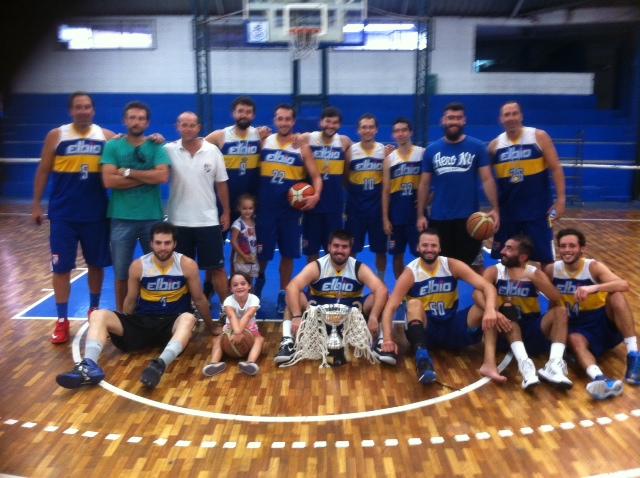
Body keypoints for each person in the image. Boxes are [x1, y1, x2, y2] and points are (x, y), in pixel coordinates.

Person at [56, 222, 218, 390]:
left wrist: (211, 326)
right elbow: (131, 300)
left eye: (167, 243)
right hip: (142, 323)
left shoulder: (187, 265)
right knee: (98, 315)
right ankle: (88, 365)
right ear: (151, 243)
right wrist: (121, 323)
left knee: (188, 318)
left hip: (171, 327)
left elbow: (199, 299)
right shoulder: (139, 266)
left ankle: (159, 365)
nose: (163, 248)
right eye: (158, 243)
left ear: (175, 244)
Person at [32, 91, 115, 344]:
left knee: (96, 264)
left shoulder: (106, 136)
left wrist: (154, 140)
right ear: (71, 110)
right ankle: (61, 320)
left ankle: (94, 310)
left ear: (93, 110)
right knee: (61, 268)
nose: (83, 110)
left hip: (96, 213)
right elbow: (43, 170)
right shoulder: (57, 135)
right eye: (78, 107)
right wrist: (36, 205)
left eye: (87, 106)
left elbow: (132, 147)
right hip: (64, 215)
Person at [379, 229, 498, 384]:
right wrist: (387, 339)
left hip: (451, 324)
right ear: (418, 248)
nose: (429, 249)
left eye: (433, 245)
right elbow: (390, 307)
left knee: (485, 308)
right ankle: (423, 361)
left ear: (440, 248)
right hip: (426, 330)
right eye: (425, 245)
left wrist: (490, 309)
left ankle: (489, 363)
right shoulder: (410, 273)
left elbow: (488, 287)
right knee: (414, 304)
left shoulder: (452, 265)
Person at [545, 228, 640, 399]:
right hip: (576, 323)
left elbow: (624, 284)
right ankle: (600, 379)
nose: (567, 250)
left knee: (616, 296)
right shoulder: (552, 270)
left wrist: (594, 287)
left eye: (572, 246)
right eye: (563, 246)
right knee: (575, 340)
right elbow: (552, 302)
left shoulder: (593, 267)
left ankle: (634, 355)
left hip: (600, 319)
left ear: (582, 248)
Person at [474, 235, 572, 390]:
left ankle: (554, 365)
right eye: (504, 247)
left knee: (561, 311)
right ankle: (526, 368)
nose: (503, 251)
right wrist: (492, 310)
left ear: (522, 257)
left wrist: (535, 278)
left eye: (509, 249)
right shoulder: (494, 271)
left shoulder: (534, 273)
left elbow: (555, 297)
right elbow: (477, 293)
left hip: (532, 327)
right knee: (508, 311)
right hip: (505, 328)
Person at [276, 229, 387, 365]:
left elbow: (381, 289)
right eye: (336, 246)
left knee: (381, 298)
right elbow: (292, 286)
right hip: (319, 319)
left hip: (351, 321)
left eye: (344, 247)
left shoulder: (358, 267)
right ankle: (287, 341)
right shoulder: (317, 266)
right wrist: (297, 316)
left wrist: (374, 316)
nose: (340, 250)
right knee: (293, 296)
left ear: (350, 249)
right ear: (329, 247)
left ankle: (382, 342)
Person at [101, 101, 171, 312]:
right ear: (125, 121)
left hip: (152, 218)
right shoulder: (113, 146)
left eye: (141, 118)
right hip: (121, 218)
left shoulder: (156, 146)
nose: (136, 122)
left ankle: (156, 313)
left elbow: (163, 176)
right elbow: (109, 181)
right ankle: (123, 316)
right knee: (122, 273)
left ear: (147, 122)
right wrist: (148, 178)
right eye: (132, 118)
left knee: (157, 271)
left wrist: (127, 172)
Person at [255, 104, 322, 315]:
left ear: (293, 121)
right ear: (275, 120)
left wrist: (316, 195)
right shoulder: (265, 141)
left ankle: (283, 294)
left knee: (288, 255)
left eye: (287, 119)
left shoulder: (301, 146)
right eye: (280, 118)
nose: (283, 122)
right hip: (266, 209)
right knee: (262, 255)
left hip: (290, 212)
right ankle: (256, 289)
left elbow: (316, 177)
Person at [417, 102, 499, 266]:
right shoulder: (432, 150)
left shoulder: (477, 147)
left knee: (474, 266)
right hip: (439, 218)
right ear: (443, 121)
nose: (454, 121)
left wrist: (495, 208)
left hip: (469, 220)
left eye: (458, 118)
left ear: (464, 121)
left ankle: (479, 285)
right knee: (442, 266)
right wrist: (420, 215)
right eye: (450, 118)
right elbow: (424, 184)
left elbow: (487, 179)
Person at [165, 111, 230, 307]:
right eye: (184, 124)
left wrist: (226, 211)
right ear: (177, 127)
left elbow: (221, 184)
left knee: (217, 268)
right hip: (178, 221)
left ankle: (228, 310)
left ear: (199, 127)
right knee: (181, 271)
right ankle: (183, 309)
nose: (188, 128)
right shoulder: (168, 150)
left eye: (192, 125)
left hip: (208, 220)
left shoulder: (212, 151)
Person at [488, 101, 566, 265]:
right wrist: (495, 208)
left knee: (545, 260)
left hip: (538, 212)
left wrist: (561, 200)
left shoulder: (539, 137)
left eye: (514, 113)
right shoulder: (494, 146)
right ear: (501, 119)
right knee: (506, 260)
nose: (511, 118)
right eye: (507, 115)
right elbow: (487, 179)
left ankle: (543, 283)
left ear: (521, 116)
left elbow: (556, 168)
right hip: (508, 213)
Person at [300, 107, 352, 263]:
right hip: (312, 206)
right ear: (320, 122)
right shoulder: (308, 138)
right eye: (327, 121)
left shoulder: (344, 142)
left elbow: (364, 151)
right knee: (312, 252)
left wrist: (386, 153)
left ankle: (331, 278)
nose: (331, 125)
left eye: (335, 123)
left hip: (334, 207)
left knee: (335, 251)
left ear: (340, 125)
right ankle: (313, 278)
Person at [344, 113, 387, 280]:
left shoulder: (383, 151)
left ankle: (380, 281)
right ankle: (352, 282)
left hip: (377, 209)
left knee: (380, 250)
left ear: (376, 130)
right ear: (358, 130)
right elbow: (345, 178)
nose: (367, 130)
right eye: (364, 127)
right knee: (352, 249)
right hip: (356, 208)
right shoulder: (351, 151)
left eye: (370, 127)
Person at [382, 118, 425, 279]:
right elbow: (386, 191)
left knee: (422, 253)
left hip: (416, 213)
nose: (400, 134)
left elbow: (432, 181)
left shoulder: (422, 153)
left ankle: (421, 287)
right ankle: (401, 290)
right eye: (397, 131)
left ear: (410, 132)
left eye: (404, 130)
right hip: (397, 214)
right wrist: (385, 218)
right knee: (397, 254)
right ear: (393, 135)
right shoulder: (389, 159)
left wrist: (429, 198)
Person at [203, 272, 264, 376]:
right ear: (230, 289)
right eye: (235, 285)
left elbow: (248, 315)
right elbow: (232, 316)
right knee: (217, 340)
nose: (239, 287)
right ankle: (214, 363)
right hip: (231, 327)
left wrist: (238, 333)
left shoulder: (254, 299)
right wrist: (236, 332)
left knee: (260, 340)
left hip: (249, 327)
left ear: (249, 286)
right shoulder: (228, 301)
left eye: (243, 284)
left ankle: (250, 362)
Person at [230, 194, 259, 281]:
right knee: (240, 280)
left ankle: (251, 290)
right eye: (244, 208)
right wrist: (243, 255)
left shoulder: (255, 221)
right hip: (241, 259)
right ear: (239, 208)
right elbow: (233, 241)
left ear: (254, 209)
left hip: (253, 257)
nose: (247, 211)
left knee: (250, 282)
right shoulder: (238, 224)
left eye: (250, 208)